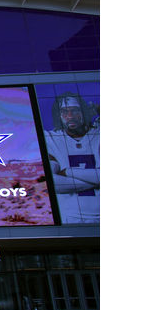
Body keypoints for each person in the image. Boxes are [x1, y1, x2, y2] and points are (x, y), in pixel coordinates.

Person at [43, 92, 100, 223]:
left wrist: (69, 171)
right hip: (71, 218)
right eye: (64, 112)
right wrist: (97, 180)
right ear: (58, 115)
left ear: (84, 112)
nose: (70, 116)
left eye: (75, 111)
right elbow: (52, 183)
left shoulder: (99, 134)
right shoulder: (50, 139)